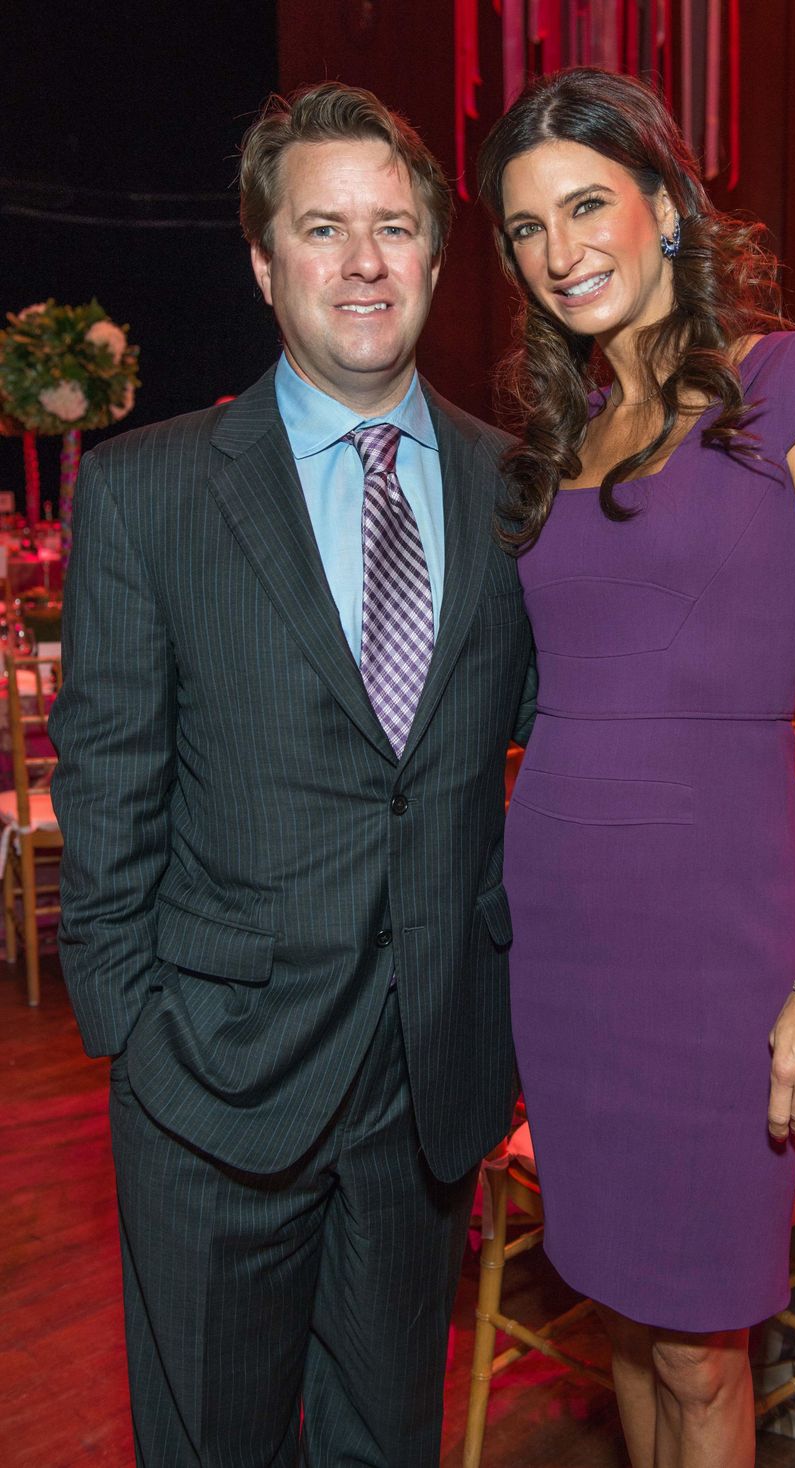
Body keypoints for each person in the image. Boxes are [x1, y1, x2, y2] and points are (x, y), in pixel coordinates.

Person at [51, 81, 534, 1468]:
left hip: (421, 1095)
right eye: (322, 228)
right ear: (264, 262)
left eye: (394, 228)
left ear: (441, 259)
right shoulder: (151, 493)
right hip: (210, 1087)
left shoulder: (515, 494)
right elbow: (108, 779)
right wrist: (134, 1034)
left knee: (387, 1446)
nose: (364, 261)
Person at [477, 68, 795, 1467]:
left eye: (589, 203)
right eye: (527, 228)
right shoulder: (565, 444)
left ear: (667, 204)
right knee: (620, 1309)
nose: (562, 250)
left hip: (722, 943)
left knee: (703, 1350)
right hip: (565, 941)